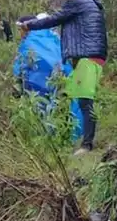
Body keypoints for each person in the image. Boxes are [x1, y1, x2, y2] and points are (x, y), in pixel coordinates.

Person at [19, 0, 107, 155]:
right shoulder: (88, 2)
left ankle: (87, 145)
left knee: (84, 101)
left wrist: (29, 25)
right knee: (68, 96)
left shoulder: (76, 1)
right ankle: (65, 140)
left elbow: (53, 19)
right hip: (91, 56)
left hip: (86, 57)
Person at [12, 14, 82, 142]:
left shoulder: (30, 42)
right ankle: (65, 135)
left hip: (39, 84)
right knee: (63, 106)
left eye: (20, 30)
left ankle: (48, 139)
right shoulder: (51, 36)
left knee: (44, 110)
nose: (20, 33)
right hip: (63, 77)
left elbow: (20, 68)